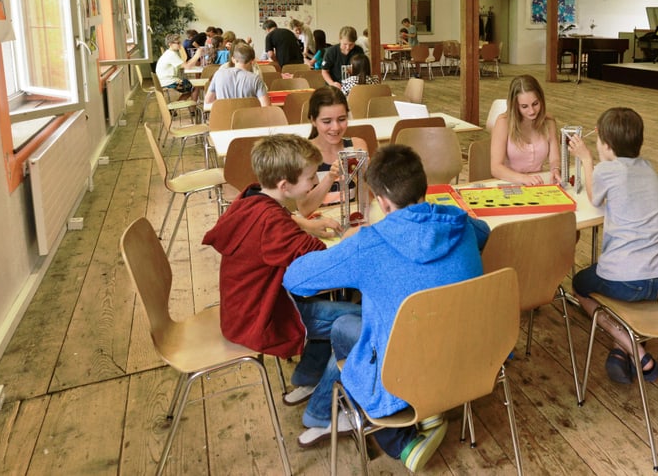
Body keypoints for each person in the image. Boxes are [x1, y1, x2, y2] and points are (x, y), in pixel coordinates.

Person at [283, 144, 491, 472]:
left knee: (343, 327)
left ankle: (393, 435)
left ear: (380, 200)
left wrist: (353, 240)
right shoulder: (460, 223)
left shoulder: (370, 243)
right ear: (423, 187)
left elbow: (295, 279)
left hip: (404, 369)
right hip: (470, 357)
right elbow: (484, 232)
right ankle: (415, 409)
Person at [202, 134, 353, 408]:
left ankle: (309, 376)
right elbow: (320, 260)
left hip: (242, 310)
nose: (315, 182)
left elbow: (277, 219)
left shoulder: (250, 196)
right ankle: (322, 411)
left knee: (330, 306)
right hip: (260, 318)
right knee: (357, 320)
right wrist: (352, 239)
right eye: (310, 178)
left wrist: (303, 223)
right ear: (285, 186)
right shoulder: (273, 224)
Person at [568, 107, 658, 384]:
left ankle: (634, 351)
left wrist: (587, 158)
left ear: (606, 145)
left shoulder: (607, 170)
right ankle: (620, 349)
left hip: (626, 281)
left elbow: (593, 197)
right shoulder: (648, 168)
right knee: (612, 278)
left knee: (579, 285)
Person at [296, 86, 369, 216]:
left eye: (341, 119)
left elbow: (368, 201)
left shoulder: (357, 145)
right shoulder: (303, 153)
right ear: (313, 120)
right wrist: (330, 177)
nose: (335, 127)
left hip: (350, 222)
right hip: (318, 226)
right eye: (326, 121)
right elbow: (304, 209)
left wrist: (365, 176)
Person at [490, 74, 561, 185]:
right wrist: (524, 179)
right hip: (509, 182)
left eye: (535, 104)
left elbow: (554, 158)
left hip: (537, 184)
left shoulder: (548, 122)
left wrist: (555, 169)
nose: (532, 111)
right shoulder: (503, 122)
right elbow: (496, 168)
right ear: (515, 106)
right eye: (524, 106)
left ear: (541, 100)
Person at [204, 42, 271, 106]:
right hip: (248, 117)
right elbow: (266, 106)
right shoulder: (256, 79)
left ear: (233, 59)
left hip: (223, 117)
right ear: (252, 61)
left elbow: (208, 100)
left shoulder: (218, 74)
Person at [156, 33, 204, 101]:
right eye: (178, 43)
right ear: (170, 44)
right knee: (194, 88)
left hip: (165, 80)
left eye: (180, 43)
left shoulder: (171, 52)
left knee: (191, 86)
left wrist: (195, 57)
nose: (180, 45)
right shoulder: (171, 54)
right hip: (169, 82)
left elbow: (185, 64)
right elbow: (187, 66)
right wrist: (197, 55)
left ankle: (185, 108)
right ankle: (186, 108)